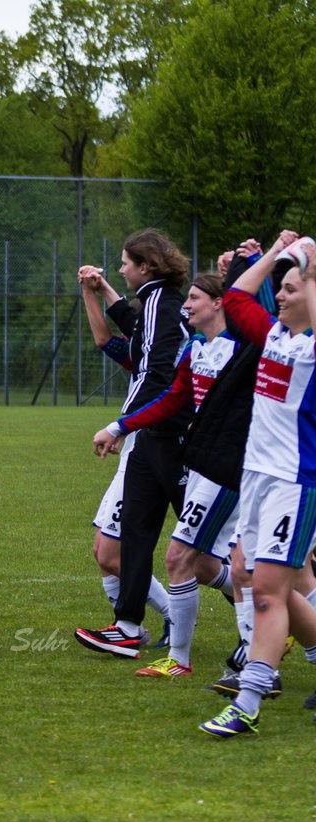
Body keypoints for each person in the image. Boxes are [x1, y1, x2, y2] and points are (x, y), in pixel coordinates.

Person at [91, 271, 240, 678]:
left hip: (236, 468)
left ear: (218, 303)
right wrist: (121, 427)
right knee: (201, 563)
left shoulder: (244, 349)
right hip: (201, 462)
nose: (186, 305)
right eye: (186, 297)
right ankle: (183, 655)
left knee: (231, 565)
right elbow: (173, 396)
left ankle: (259, 644)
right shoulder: (193, 349)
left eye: (194, 298)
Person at [199, 233, 316, 737]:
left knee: (267, 591)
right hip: (256, 481)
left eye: (293, 288)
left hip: (295, 483)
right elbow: (236, 297)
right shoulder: (272, 335)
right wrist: (273, 256)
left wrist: (309, 263)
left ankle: (248, 701)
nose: (282, 294)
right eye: (282, 287)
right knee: (249, 574)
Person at [75, 229, 193, 657]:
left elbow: (158, 375)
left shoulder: (163, 304)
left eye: (125, 262)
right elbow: (117, 336)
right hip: (146, 436)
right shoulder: (155, 304)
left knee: (208, 554)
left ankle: (276, 613)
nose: (120, 267)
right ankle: (128, 626)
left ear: (146, 266)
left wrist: (122, 424)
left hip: (161, 434)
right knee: (115, 546)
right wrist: (99, 289)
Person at [80, 268, 172, 645]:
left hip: (148, 448)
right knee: (104, 551)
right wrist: (91, 291)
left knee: (112, 553)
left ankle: (165, 619)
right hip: (133, 448)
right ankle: (129, 628)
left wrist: (122, 427)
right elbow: (104, 338)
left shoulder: (162, 352)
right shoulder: (140, 354)